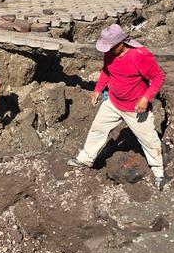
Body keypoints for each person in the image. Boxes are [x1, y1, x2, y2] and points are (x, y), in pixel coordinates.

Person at [69, 24, 167, 190]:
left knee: (149, 140)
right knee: (97, 129)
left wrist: (146, 98)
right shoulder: (110, 54)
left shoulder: (140, 55)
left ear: (121, 43)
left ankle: (159, 173)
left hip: (136, 107)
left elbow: (159, 77)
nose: (106, 51)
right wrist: (98, 90)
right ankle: (85, 159)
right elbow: (106, 72)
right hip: (113, 102)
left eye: (110, 47)